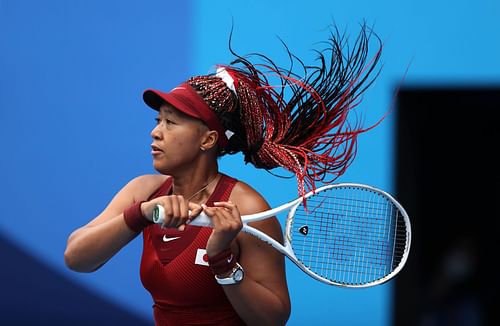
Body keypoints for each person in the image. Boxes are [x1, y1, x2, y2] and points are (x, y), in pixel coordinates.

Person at [64, 24, 382, 325]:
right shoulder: (144, 192)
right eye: (157, 121)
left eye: (170, 123)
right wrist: (141, 215)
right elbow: (77, 257)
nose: (155, 133)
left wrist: (222, 261)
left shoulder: (249, 209)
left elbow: (272, 320)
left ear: (208, 139)